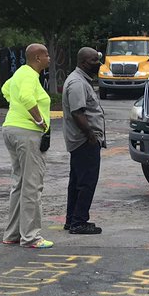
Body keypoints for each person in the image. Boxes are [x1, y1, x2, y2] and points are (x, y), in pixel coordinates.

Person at [1, 43, 53, 249]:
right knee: (32, 185)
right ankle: (31, 236)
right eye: (47, 55)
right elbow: (25, 97)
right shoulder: (30, 76)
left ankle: (13, 233)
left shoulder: (19, 73)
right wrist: (40, 121)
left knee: (20, 182)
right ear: (37, 58)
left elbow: (6, 90)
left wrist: (16, 110)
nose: (49, 58)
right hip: (27, 134)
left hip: (11, 129)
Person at [62, 47, 105, 234]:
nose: (98, 64)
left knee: (77, 181)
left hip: (81, 140)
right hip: (83, 141)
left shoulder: (81, 79)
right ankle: (79, 222)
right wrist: (91, 136)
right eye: (94, 61)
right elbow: (77, 112)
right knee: (86, 182)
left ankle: (72, 220)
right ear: (82, 63)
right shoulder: (77, 83)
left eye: (98, 59)